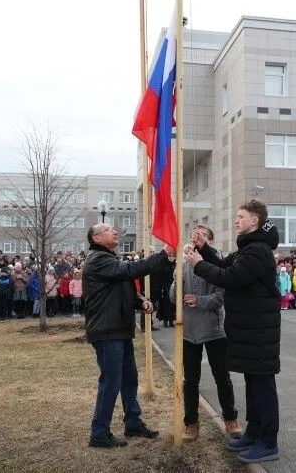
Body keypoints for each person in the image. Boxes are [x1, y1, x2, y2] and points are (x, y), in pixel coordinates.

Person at [187, 199, 280, 464]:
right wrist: (204, 250)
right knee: (253, 384)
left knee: (262, 385)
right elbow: (225, 264)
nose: (237, 220)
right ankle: (254, 432)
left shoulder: (258, 251)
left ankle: (268, 441)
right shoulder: (248, 248)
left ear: (255, 221)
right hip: (251, 329)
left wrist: (197, 264)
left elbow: (230, 278)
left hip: (259, 330)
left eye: (241, 216)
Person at [83, 223, 174, 449]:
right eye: (108, 229)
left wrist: (140, 301)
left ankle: (132, 422)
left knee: (129, 378)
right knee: (111, 382)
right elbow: (129, 272)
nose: (115, 231)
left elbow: (122, 287)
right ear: (96, 238)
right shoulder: (97, 259)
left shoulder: (110, 259)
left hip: (119, 329)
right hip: (107, 331)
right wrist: (163, 254)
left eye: (115, 228)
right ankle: (99, 433)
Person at [170, 227, 242, 441]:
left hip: (214, 330)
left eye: (202, 236)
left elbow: (221, 297)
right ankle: (191, 424)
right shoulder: (183, 265)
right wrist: (176, 280)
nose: (196, 239)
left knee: (222, 377)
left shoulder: (218, 265)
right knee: (190, 380)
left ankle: (230, 419)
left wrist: (200, 301)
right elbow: (174, 298)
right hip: (189, 331)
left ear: (209, 242)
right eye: (194, 236)